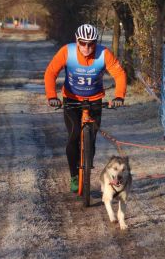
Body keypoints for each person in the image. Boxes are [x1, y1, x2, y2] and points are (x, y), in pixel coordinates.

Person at [44, 24, 127, 192]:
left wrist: (119, 96)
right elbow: (51, 72)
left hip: (94, 100)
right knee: (74, 135)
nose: (87, 47)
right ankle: (74, 176)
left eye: (91, 44)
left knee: (92, 139)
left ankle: (87, 168)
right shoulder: (67, 51)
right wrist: (52, 96)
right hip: (72, 100)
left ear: (96, 42)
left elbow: (119, 74)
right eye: (83, 43)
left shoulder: (104, 53)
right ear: (77, 41)